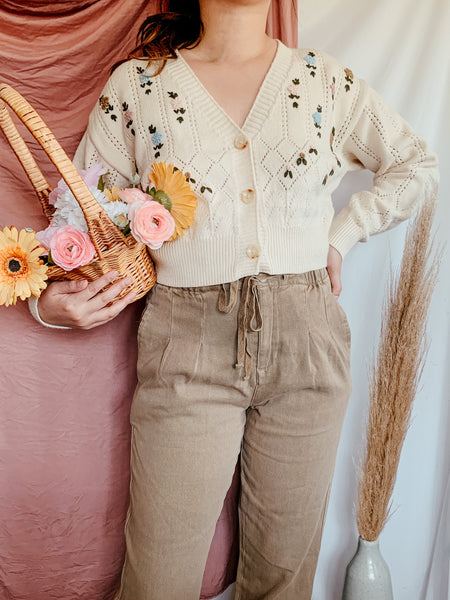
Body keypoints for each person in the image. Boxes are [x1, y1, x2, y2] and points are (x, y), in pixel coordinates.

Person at [28, 0, 439, 598]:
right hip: (185, 343)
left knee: (282, 579)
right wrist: (49, 306)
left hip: (308, 341)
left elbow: (415, 164)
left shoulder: (324, 81)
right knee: (158, 579)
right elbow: (85, 220)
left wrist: (340, 237)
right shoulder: (140, 88)